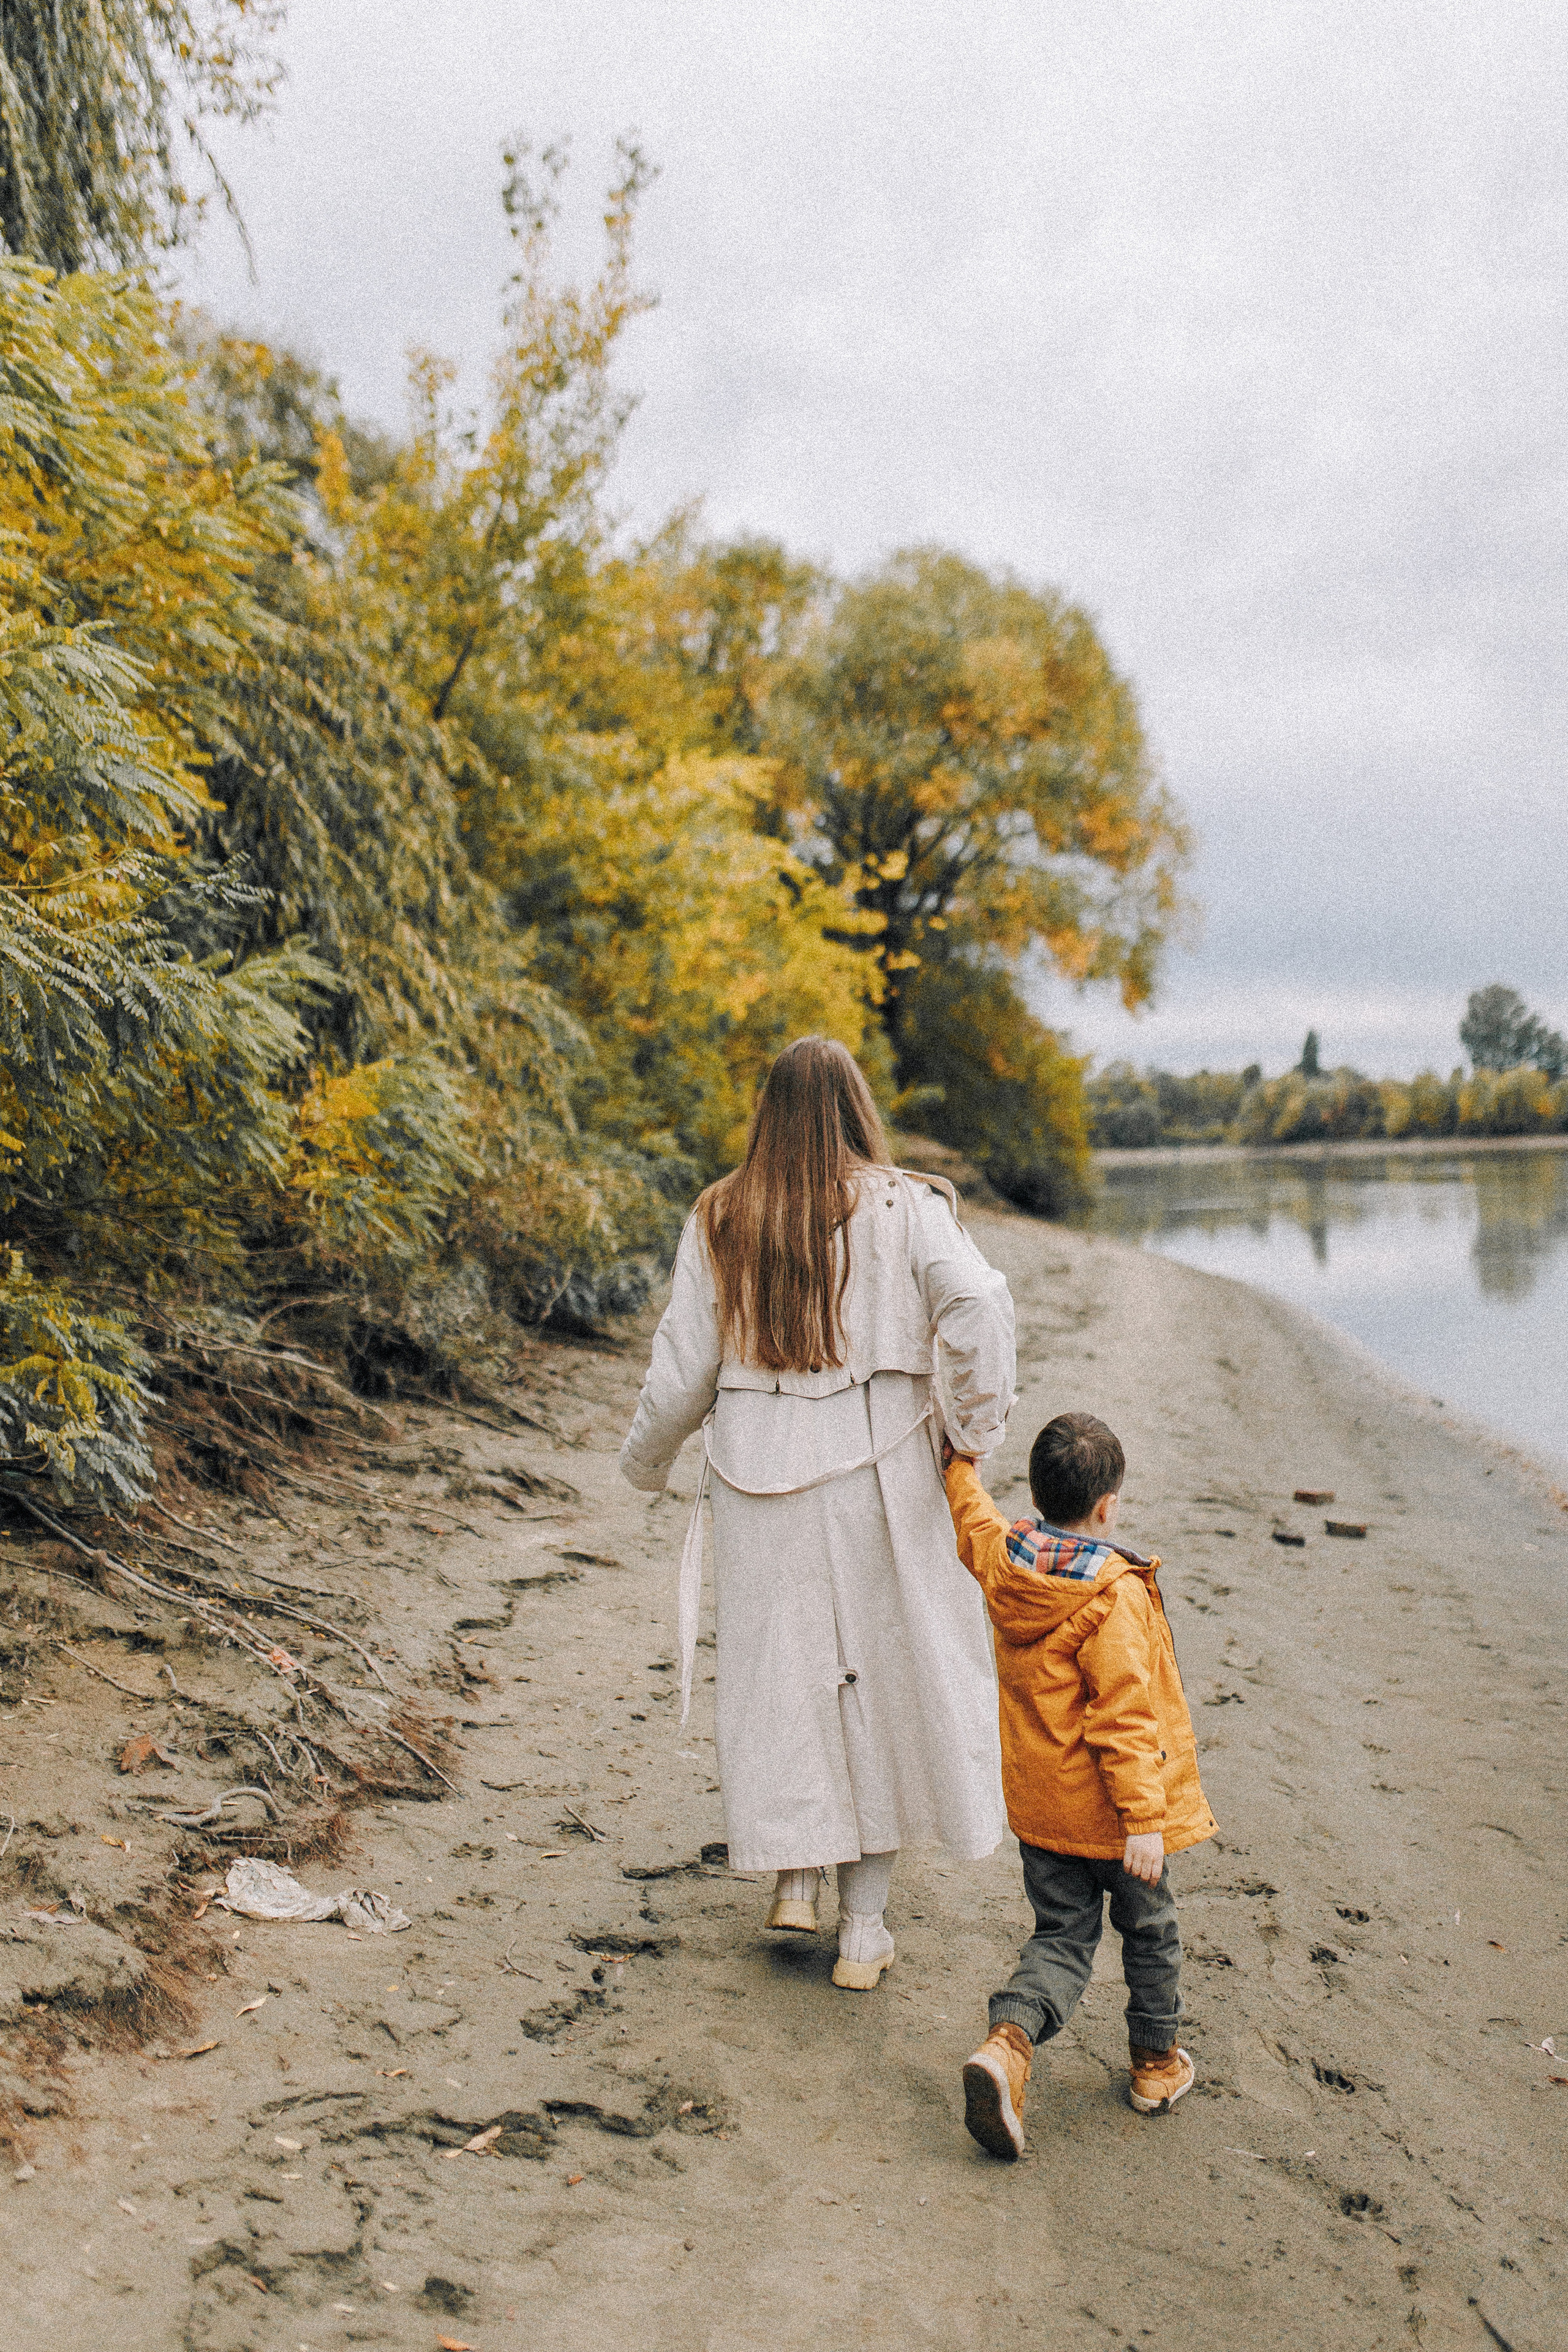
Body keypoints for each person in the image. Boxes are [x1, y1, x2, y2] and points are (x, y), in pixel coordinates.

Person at [619, 1036, 1015, 1990]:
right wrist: (970, 1425)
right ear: (855, 1108)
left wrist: (646, 1461)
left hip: (763, 1474)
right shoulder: (909, 1205)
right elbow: (978, 1303)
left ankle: (796, 1873)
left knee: (781, 1674)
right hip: (881, 1466)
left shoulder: (721, 1214)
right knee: (876, 1681)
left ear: (769, 1111)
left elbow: (684, 1365)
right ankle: (863, 1932)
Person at [941, 1410, 1217, 2158]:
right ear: (1108, 1506)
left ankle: (1008, 2046)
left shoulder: (1008, 1561)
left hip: (1040, 1808)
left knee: (1061, 1936)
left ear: (1035, 1493)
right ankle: (1156, 2066)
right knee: (1151, 1933)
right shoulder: (1113, 1595)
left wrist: (955, 1462)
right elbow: (1123, 1717)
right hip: (1114, 1819)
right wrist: (1145, 1820)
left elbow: (973, 1519)